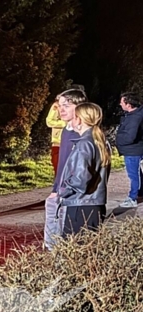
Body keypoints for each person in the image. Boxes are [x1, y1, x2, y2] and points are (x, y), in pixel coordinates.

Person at [51, 102, 110, 246]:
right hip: (94, 205)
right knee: (89, 254)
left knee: (75, 253)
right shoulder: (100, 141)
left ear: (78, 119)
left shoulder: (84, 144)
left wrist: (62, 191)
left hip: (80, 206)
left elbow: (80, 181)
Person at [44, 88, 88, 250]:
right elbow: (62, 164)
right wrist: (55, 189)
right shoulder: (65, 131)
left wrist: (67, 190)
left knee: (69, 239)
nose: (61, 109)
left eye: (66, 105)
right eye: (60, 105)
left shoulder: (83, 134)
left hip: (74, 195)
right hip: (61, 191)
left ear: (79, 106)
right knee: (53, 237)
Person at [115, 92, 143, 208]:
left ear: (128, 104)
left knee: (134, 175)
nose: (120, 104)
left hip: (132, 151)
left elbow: (130, 136)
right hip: (133, 149)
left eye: (122, 102)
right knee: (137, 173)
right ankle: (140, 193)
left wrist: (118, 141)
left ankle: (133, 198)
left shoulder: (135, 118)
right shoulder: (134, 114)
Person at [45, 101, 66, 174]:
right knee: (57, 168)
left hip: (68, 144)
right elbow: (49, 122)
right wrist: (54, 109)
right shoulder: (56, 107)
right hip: (57, 143)